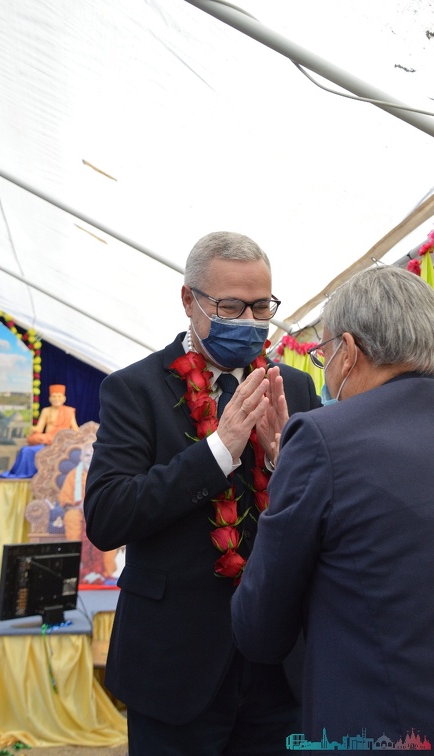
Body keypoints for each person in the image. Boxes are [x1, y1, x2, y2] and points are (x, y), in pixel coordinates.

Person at [84, 231, 320, 755]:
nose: (249, 321)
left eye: (262, 306)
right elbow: (107, 515)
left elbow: (327, 517)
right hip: (174, 665)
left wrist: (284, 463)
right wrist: (218, 451)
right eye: (230, 307)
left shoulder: (294, 388)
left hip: (280, 666)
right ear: (189, 300)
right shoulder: (135, 389)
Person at [231, 266, 434, 743]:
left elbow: (260, 627)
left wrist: (294, 473)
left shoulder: (322, 437)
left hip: (378, 725)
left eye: (322, 355)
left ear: (348, 350)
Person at [58, 442, 118, 584]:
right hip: (78, 511)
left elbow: (113, 494)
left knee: (109, 520)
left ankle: (106, 570)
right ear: (81, 457)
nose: (90, 458)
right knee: (72, 517)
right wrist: (78, 506)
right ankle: (77, 568)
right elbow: (65, 498)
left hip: (101, 510)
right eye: (86, 455)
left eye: (93, 454)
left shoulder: (107, 472)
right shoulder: (74, 475)